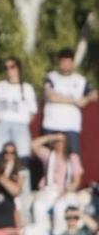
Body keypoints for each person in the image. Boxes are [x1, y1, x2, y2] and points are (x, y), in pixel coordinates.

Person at [40, 50, 92, 187]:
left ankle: (70, 188)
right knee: (50, 159)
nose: (65, 64)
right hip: (52, 124)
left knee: (73, 159)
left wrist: (86, 99)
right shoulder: (51, 77)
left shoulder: (80, 80)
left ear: (72, 62)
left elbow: (93, 94)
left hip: (71, 127)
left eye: (68, 61)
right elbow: (51, 96)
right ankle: (49, 186)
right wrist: (74, 101)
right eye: (63, 60)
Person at [0, 58, 39, 161]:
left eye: (12, 67)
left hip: (20, 125)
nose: (9, 70)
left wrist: (22, 121)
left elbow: (33, 112)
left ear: (18, 69)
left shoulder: (27, 88)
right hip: (2, 124)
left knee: (23, 157)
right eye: (6, 67)